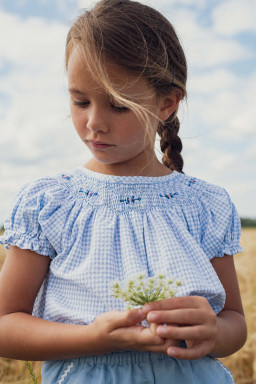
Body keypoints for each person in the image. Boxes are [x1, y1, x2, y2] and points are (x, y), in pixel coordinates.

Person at [0, 0, 247, 382]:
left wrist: (214, 333)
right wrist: (92, 338)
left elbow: (234, 324)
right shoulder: (50, 202)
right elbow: (6, 326)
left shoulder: (205, 205)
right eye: (80, 100)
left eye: (118, 105)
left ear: (166, 103)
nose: (93, 123)